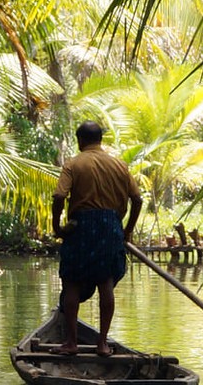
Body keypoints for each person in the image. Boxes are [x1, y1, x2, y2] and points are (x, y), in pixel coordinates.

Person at [51, 121, 143, 357]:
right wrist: (127, 230)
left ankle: (71, 343)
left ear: (80, 140)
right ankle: (102, 344)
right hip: (110, 226)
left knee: (71, 282)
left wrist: (57, 227)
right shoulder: (119, 165)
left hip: (80, 226)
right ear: (100, 139)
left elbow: (60, 195)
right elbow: (138, 199)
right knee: (106, 282)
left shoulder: (73, 164)